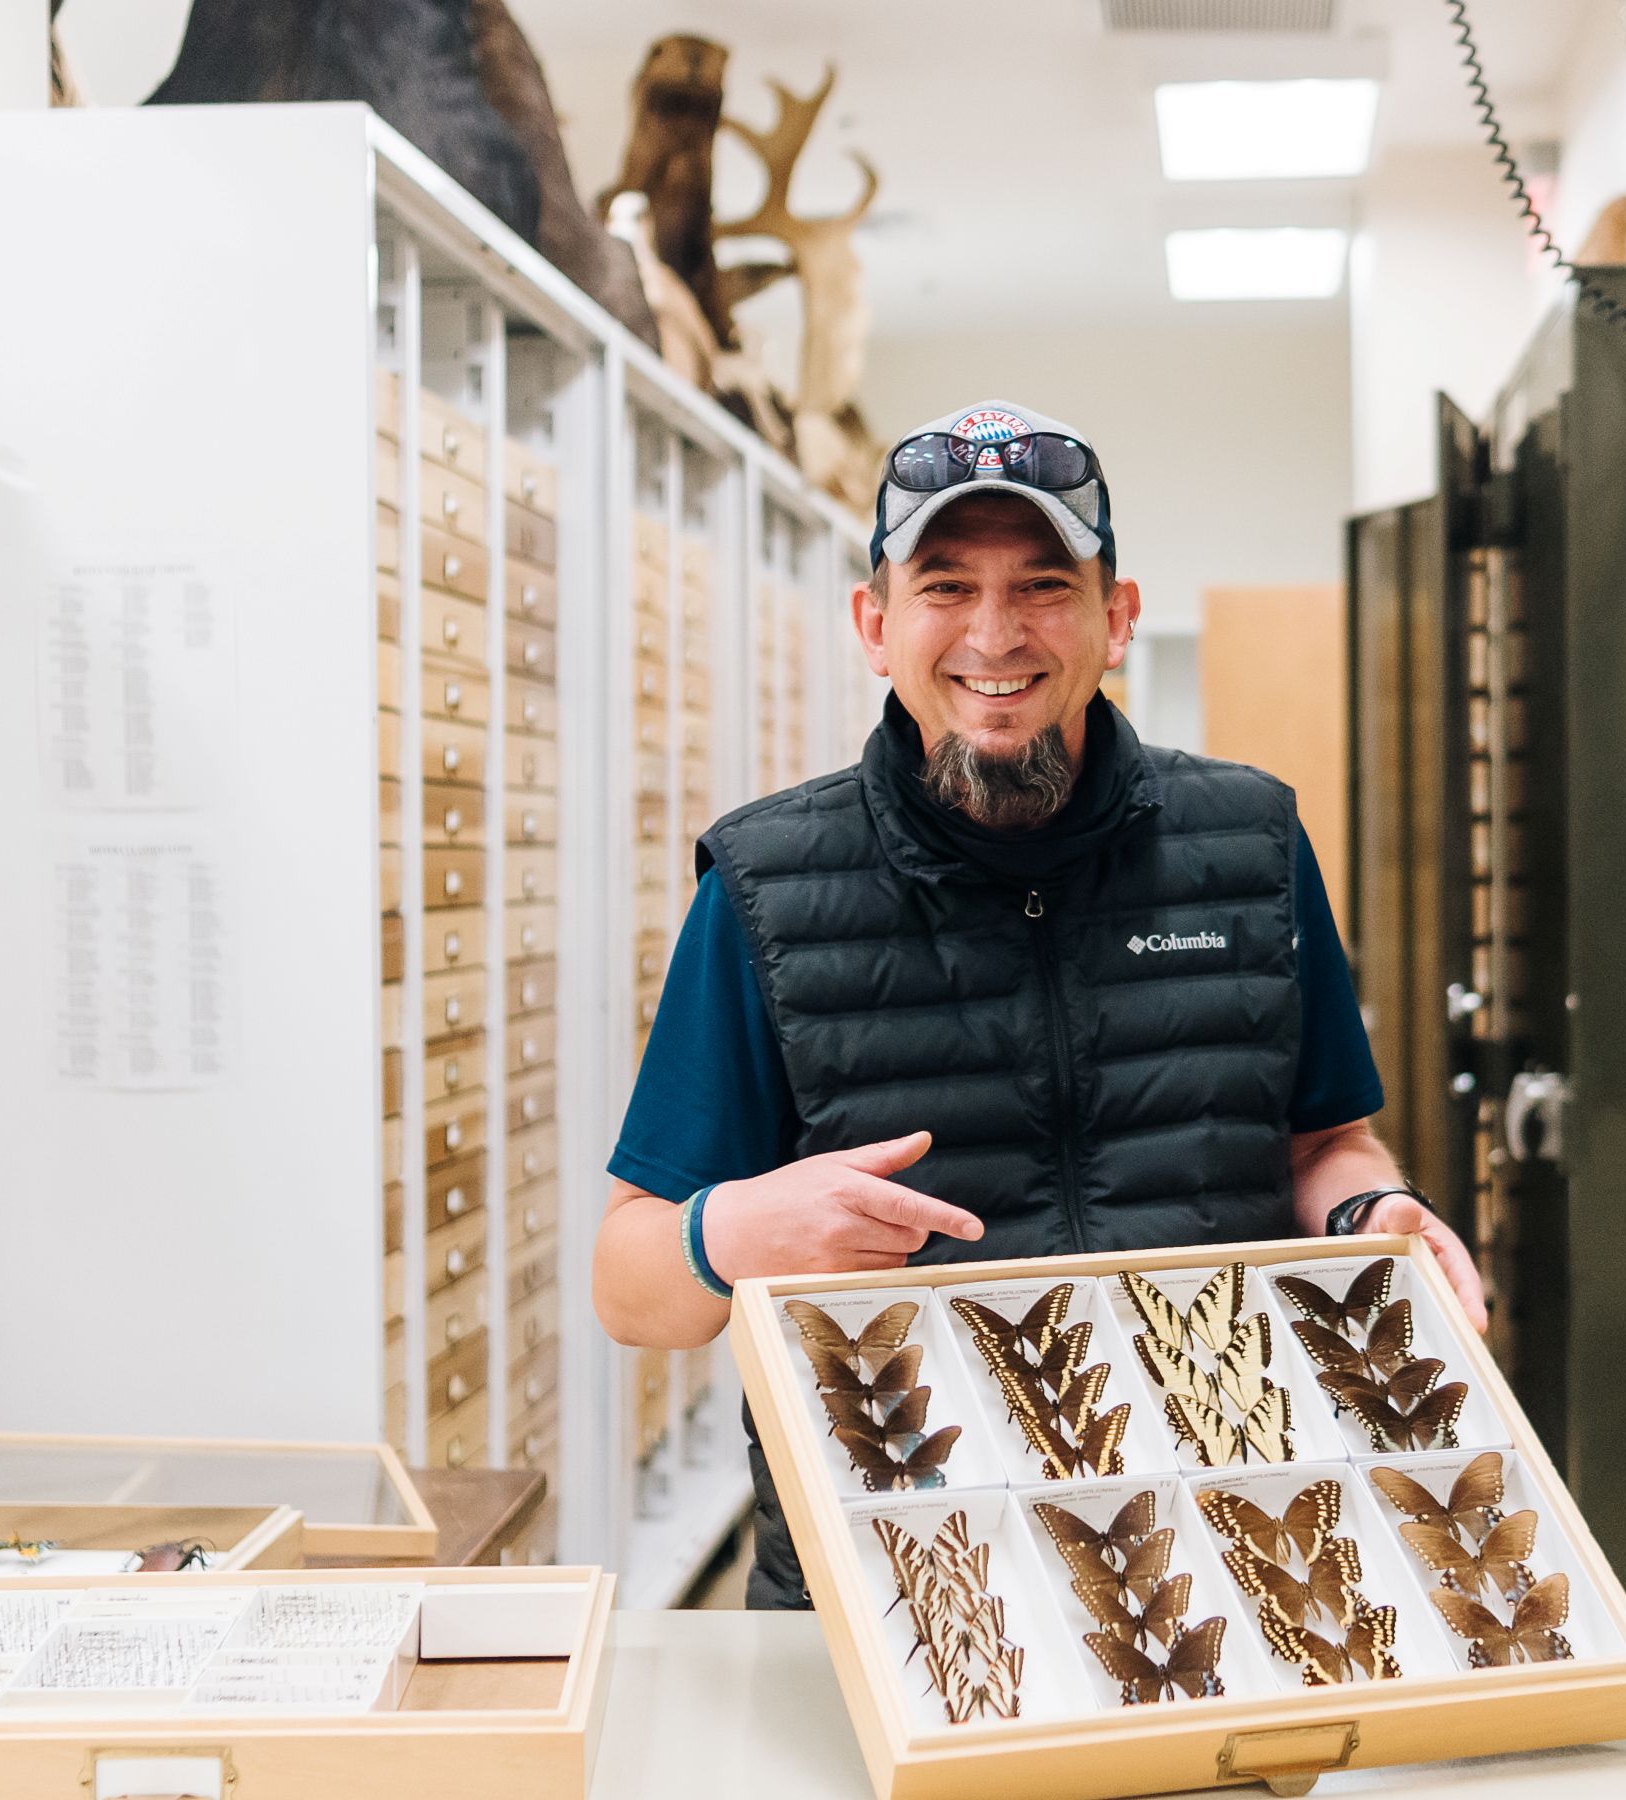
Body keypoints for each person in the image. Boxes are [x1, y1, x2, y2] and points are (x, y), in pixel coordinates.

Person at [591, 399, 1484, 1608]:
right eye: (947, 586)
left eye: (1046, 585)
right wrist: (731, 1233)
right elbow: (628, 1285)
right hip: (894, 1593)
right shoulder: (764, 891)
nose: (996, 635)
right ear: (876, 624)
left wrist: (1375, 1211)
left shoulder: (1251, 845)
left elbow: (1326, 1141)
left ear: (1116, 618)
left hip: (1225, 1563)